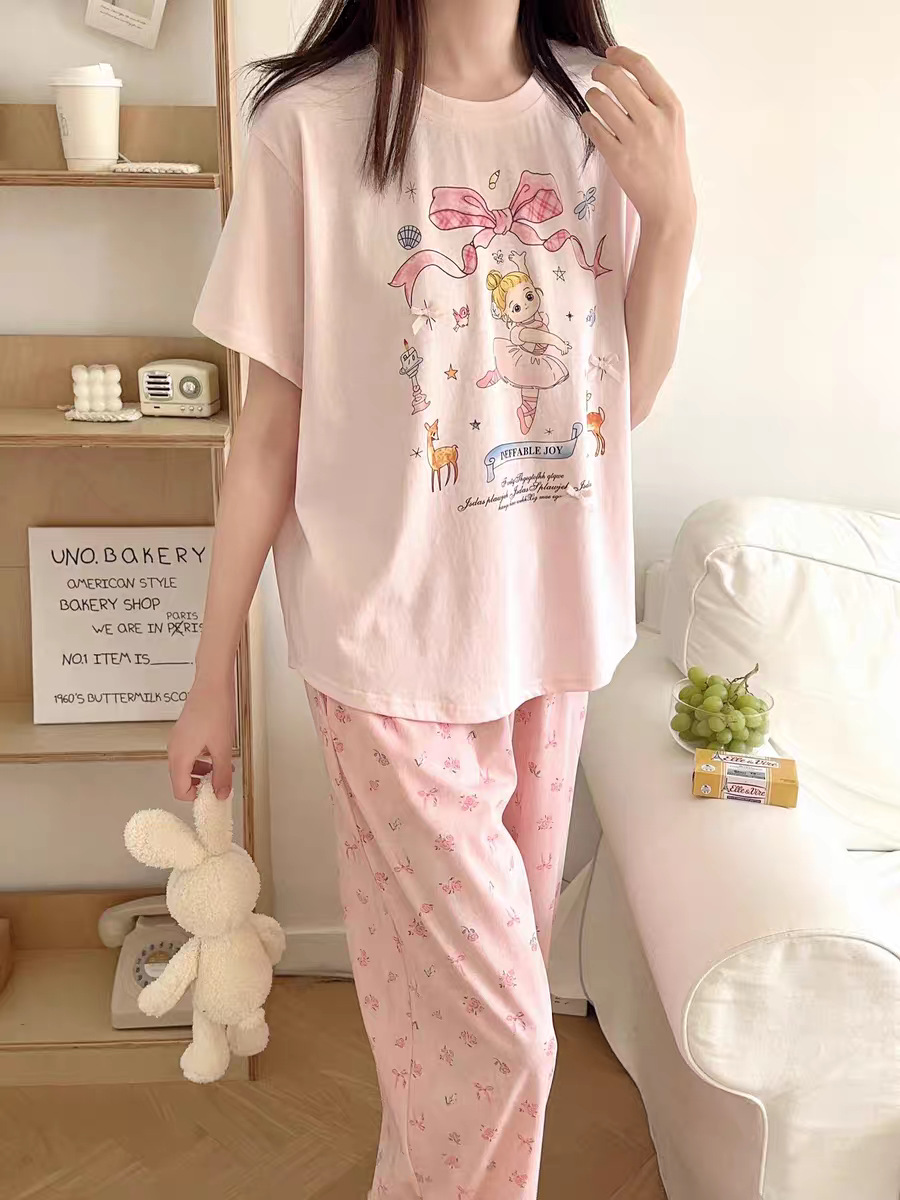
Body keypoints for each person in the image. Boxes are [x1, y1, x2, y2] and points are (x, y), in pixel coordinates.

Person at [173, 0, 696, 1195]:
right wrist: (211, 678)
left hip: (550, 630)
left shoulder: (606, 107)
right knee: (505, 1037)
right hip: (386, 648)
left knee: (445, 1031)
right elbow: (267, 438)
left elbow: (622, 402)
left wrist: (672, 219)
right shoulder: (309, 129)